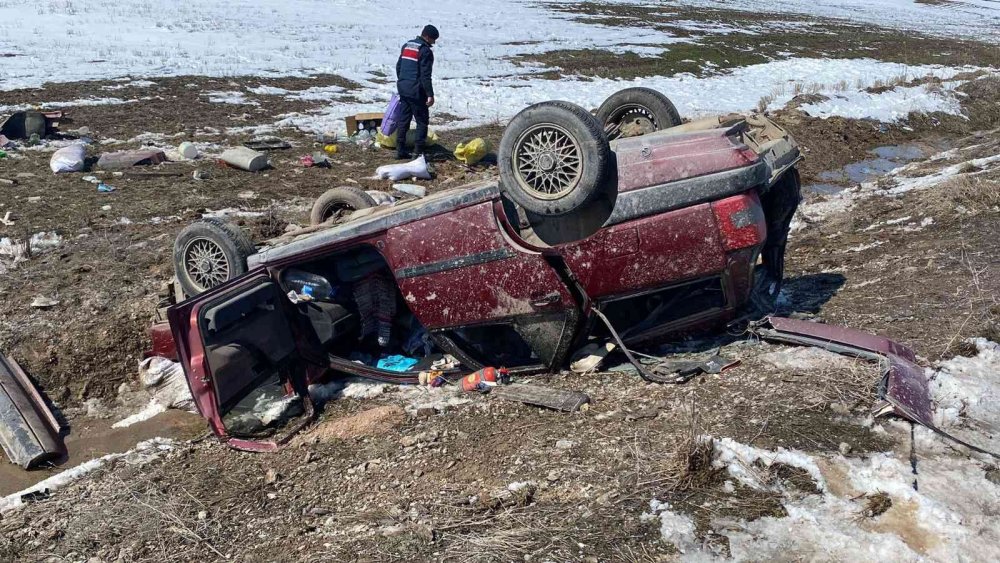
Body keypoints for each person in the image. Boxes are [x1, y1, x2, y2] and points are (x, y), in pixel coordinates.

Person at [394, 24, 438, 159]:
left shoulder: (407, 45)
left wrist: (403, 81)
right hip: (416, 91)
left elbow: (399, 66)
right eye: (433, 39)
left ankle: (400, 150)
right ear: (427, 37)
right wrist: (430, 94)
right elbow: (425, 76)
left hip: (403, 87)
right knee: (422, 121)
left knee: (404, 120)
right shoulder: (425, 51)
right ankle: (417, 152)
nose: (434, 42)